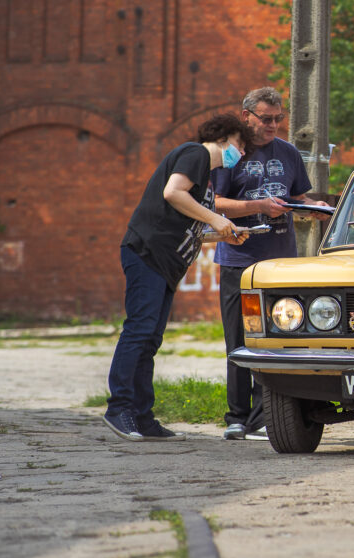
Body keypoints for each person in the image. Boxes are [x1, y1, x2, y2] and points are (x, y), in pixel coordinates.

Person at [105, 114, 252, 441]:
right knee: (140, 330)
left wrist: (225, 234)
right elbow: (173, 193)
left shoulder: (207, 179)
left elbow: (190, 227)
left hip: (165, 263)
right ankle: (119, 407)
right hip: (147, 253)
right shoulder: (196, 153)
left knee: (151, 338)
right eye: (239, 146)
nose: (240, 154)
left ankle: (143, 418)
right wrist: (216, 217)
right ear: (224, 137)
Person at [212, 87, 331, 441]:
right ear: (246, 116)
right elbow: (216, 203)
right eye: (267, 119)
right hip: (239, 259)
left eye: (279, 119)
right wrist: (258, 206)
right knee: (238, 338)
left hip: (280, 261)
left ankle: (266, 415)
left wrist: (318, 209)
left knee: (277, 337)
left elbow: (297, 196)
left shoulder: (289, 152)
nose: (274, 125)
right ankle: (237, 417)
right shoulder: (229, 154)